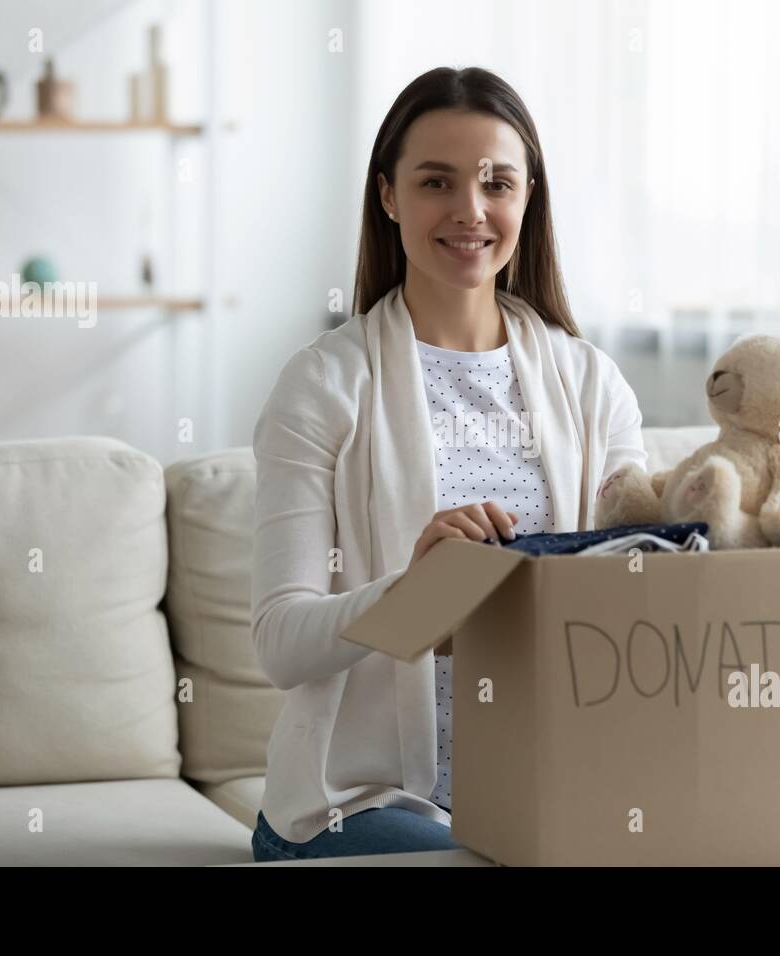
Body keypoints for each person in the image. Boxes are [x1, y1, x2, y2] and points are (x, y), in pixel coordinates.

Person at [249, 65, 647, 862]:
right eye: (437, 182)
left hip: (544, 791)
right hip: (359, 805)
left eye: (497, 182)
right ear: (389, 196)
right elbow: (279, 643)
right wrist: (412, 595)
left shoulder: (591, 382)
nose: (470, 211)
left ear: (527, 196)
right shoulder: (324, 384)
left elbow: (643, 583)